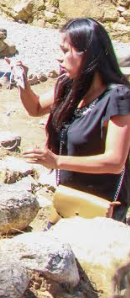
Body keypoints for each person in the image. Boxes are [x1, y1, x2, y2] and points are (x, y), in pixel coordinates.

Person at [13, 18, 130, 222]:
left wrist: (57, 161)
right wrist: (22, 81)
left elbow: (115, 162)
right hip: (68, 198)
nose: (59, 58)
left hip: (101, 209)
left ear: (88, 53)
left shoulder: (118, 97)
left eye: (66, 51)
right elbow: (36, 107)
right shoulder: (70, 86)